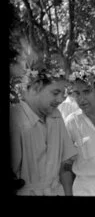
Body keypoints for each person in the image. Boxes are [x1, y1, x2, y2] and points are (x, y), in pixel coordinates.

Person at [10, 66, 77, 195]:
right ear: (36, 87)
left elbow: (65, 165)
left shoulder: (56, 116)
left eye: (62, 94)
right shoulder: (15, 118)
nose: (60, 100)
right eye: (55, 93)